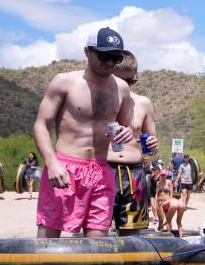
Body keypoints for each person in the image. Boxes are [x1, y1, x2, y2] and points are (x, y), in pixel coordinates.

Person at [33, 27, 134, 238]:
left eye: (115, 58)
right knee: (47, 243)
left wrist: (126, 133)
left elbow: (127, 128)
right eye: (104, 55)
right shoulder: (64, 82)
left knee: (98, 246)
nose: (109, 62)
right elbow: (41, 124)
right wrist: (51, 163)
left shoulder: (122, 88)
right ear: (87, 51)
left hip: (101, 170)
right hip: (65, 168)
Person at [109, 51, 159, 236]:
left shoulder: (143, 103)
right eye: (118, 81)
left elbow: (152, 144)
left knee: (132, 234)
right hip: (105, 169)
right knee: (97, 231)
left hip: (135, 173)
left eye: (129, 81)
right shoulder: (97, 101)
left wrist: (153, 144)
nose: (124, 86)